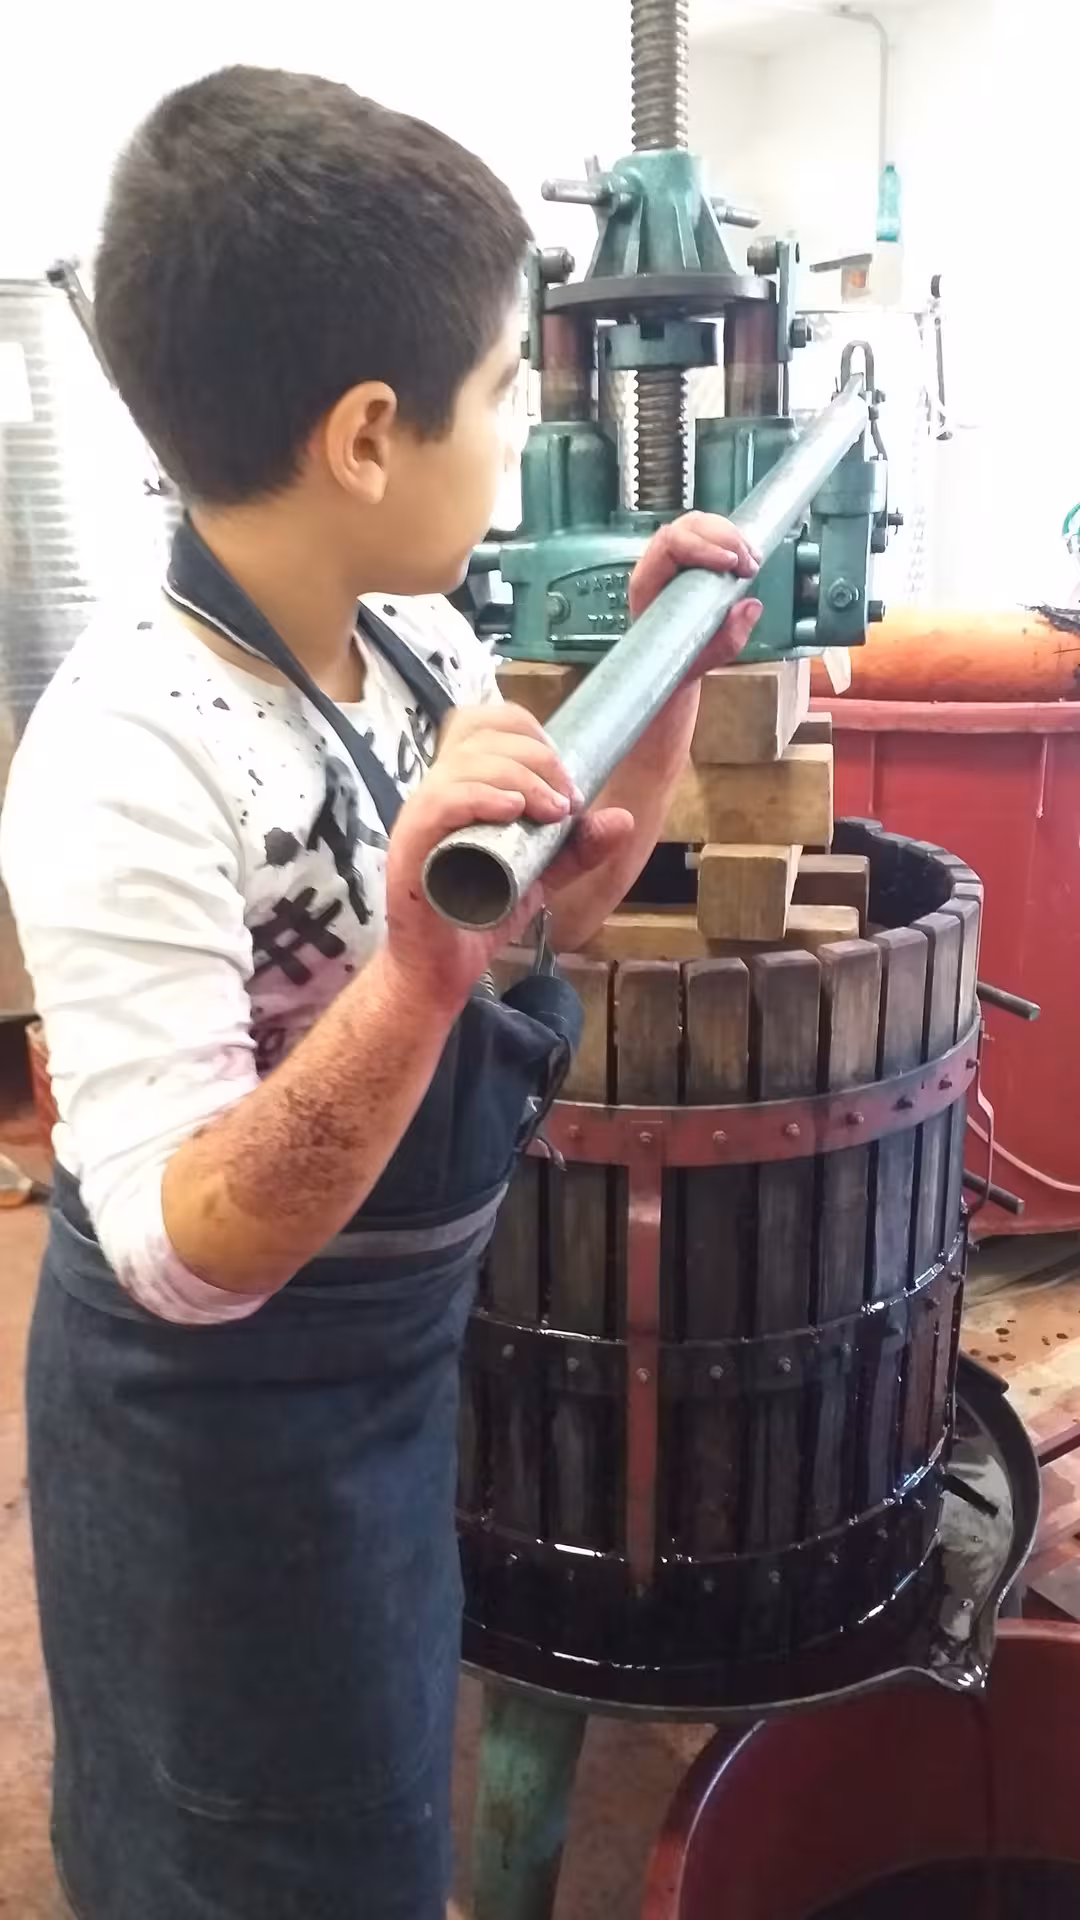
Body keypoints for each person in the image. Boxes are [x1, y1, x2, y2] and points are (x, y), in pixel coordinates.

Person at [0, 66, 763, 1920]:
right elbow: (191, 1251)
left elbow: (529, 924)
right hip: (218, 1450)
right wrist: (420, 963)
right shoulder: (125, 753)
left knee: (366, 1825)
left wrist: (656, 698)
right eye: (506, 390)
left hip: (387, 1382)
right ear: (365, 435)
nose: (513, 431)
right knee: (239, 1860)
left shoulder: (409, 643)